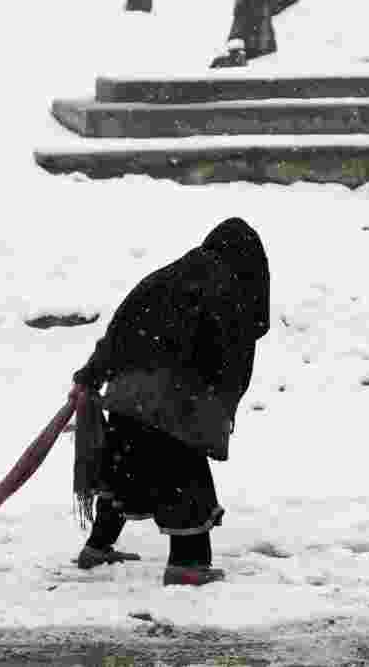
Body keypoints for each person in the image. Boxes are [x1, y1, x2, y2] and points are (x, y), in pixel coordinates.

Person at [69, 217, 270, 585]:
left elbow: (121, 331)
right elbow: (230, 359)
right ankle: (188, 565)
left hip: (128, 395)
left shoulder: (164, 278)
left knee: (123, 469)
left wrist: (91, 374)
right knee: (186, 480)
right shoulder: (226, 290)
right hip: (175, 404)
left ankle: (97, 548)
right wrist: (214, 406)